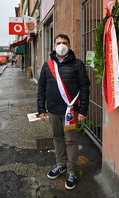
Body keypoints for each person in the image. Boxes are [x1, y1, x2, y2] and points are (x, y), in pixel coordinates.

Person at [37, 34, 90, 190]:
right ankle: (60, 164)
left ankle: (71, 170)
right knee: (57, 138)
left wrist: (83, 110)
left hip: (70, 113)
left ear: (70, 45)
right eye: (58, 43)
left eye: (64, 43)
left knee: (71, 141)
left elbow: (85, 89)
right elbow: (41, 88)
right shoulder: (47, 65)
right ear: (54, 46)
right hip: (53, 111)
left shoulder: (78, 64)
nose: (61, 45)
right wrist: (41, 109)